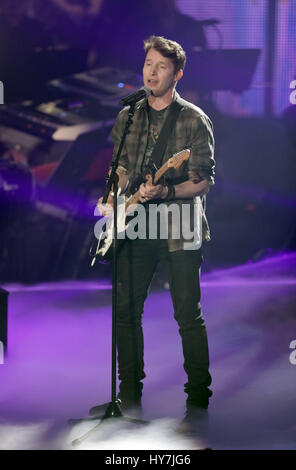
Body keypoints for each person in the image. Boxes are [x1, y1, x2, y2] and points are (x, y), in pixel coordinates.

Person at [95, 36, 215, 418]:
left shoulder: (194, 119)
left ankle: (198, 397)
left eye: (161, 66)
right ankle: (128, 392)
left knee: (187, 314)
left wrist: (165, 189)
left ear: (177, 74)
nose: (152, 71)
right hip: (137, 223)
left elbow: (203, 180)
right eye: (148, 63)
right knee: (125, 311)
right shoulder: (128, 115)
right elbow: (123, 167)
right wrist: (114, 196)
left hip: (180, 225)